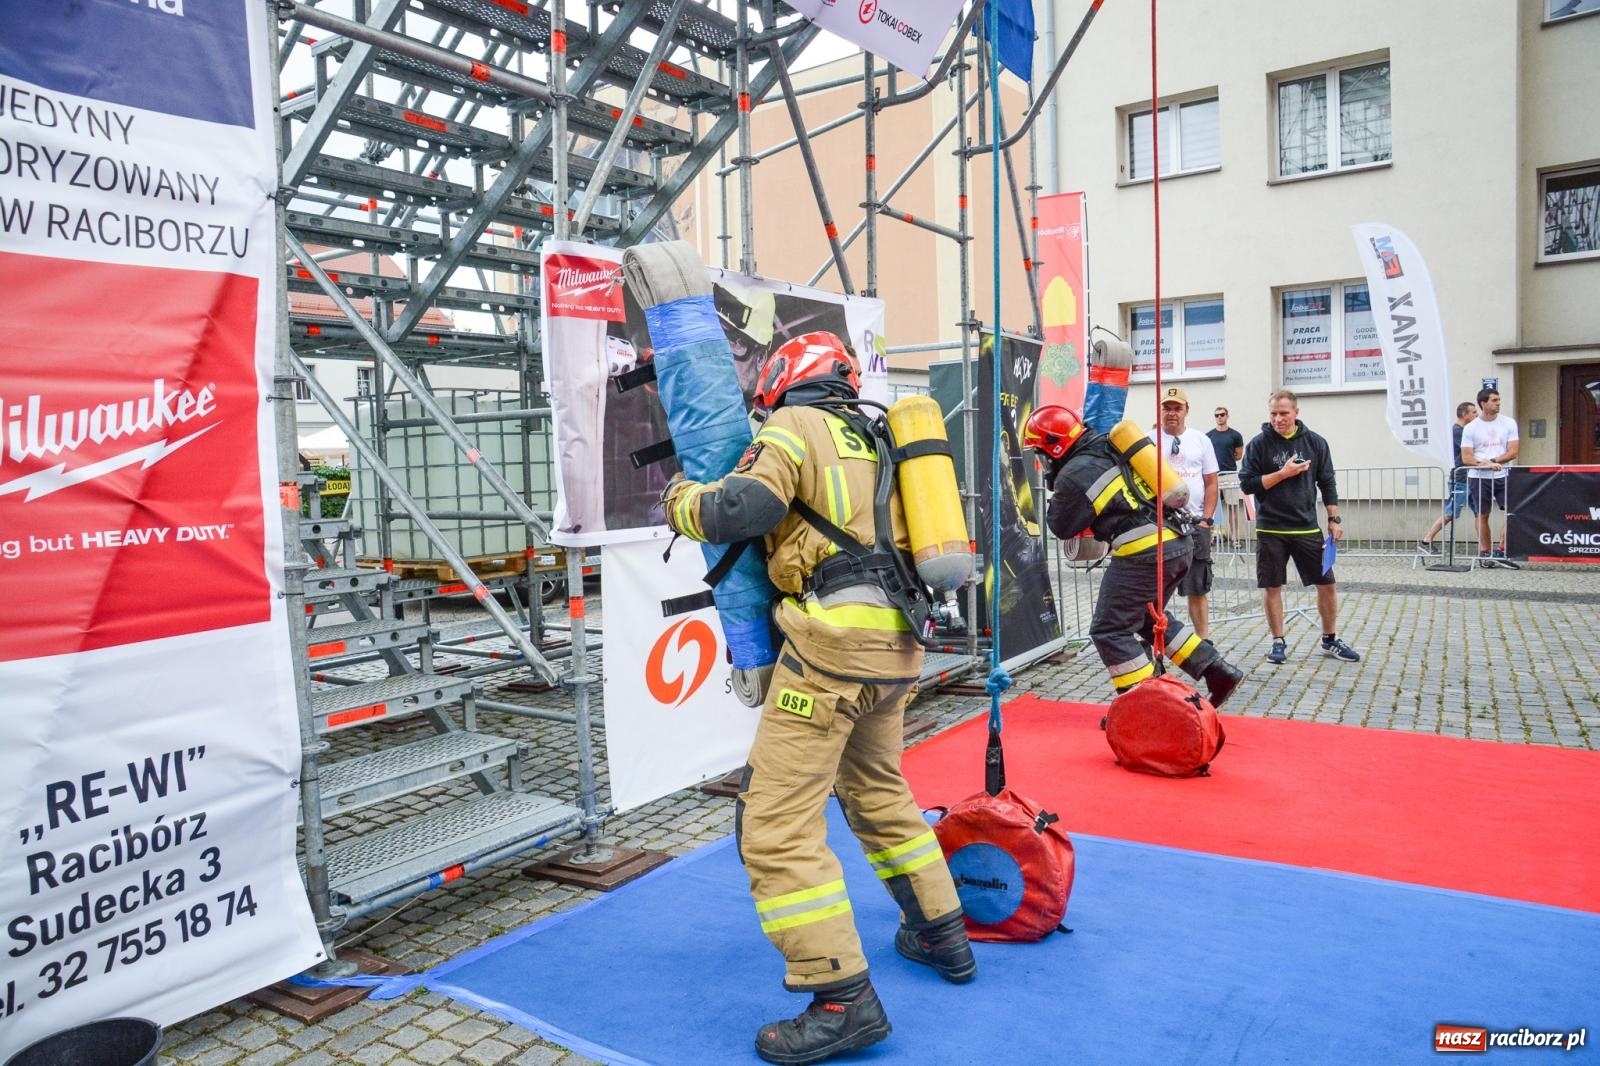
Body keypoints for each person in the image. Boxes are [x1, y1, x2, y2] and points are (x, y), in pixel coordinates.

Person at [663, 331, 974, 1065]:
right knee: (879, 792)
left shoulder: (795, 424)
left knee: (774, 824)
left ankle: (841, 998)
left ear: (780, 380)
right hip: (897, 650)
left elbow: (742, 508)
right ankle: (942, 933)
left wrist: (681, 501)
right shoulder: (881, 438)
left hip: (831, 654)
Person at [1023, 404, 1244, 707]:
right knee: (1145, 618)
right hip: (1178, 542)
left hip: (1144, 552)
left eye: (1041, 454)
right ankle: (1217, 671)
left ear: (1055, 447)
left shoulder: (1074, 474)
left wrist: (1057, 487)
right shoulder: (1107, 445)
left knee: (1109, 629)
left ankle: (1143, 707)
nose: (1042, 462)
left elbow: (1061, 526)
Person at [1239, 389, 1359, 664]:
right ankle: (1278, 641)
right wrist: (1283, 473)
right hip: (1271, 528)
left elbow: (1327, 482)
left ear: (1296, 412)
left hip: (1306, 527)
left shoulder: (1315, 442)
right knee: (1272, 586)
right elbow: (1247, 484)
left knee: (1327, 584)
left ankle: (1330, 639)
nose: (1278, 419)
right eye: (1273, 414)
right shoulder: (1258, 444)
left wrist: (1334, 519)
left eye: (1284, 413)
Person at [1151, 386, 1220, 639]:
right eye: (1167, 408)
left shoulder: (1201, 440)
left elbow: (1211, 482)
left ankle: (1204, 640)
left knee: (1197, 587)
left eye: (1177, 408)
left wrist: (1207, 519)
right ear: (1160, 411)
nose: (1172, 413)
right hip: (1160, 524)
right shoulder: (1149, 441)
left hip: (1195, 523)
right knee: (1155, 588)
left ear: (1186, 411)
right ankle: (1154, 638)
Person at [1458, 386, 1521, 569]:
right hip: (1479, 477)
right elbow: (1466, 458)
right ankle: (1485, 552)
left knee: (1514, 512)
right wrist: (1484, 465)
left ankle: (1501, 550)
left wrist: (1493, 461)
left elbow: (1513, 452)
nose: (1498, 403)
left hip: (1503, 474)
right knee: (1483, 514)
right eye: (1494, 400)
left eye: (1499, 400)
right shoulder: (1471, 428)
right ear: (1483, 404)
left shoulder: (1508, 423)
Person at [1417, 400, 1479, 556]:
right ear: (1464, 414)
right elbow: (1471, 451)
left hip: (1471, 477)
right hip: (1461, 478)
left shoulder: (1464, 430)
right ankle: (1426, 541)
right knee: (1451, 513)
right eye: (1473, 412)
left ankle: (1485, 550)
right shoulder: (1458, 431)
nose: (1477, 415)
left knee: (1480, 513)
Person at [1206, 405, 1247, 546]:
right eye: (1217, 415)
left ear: (1227, 416)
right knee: (1211, 507)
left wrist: (1227, 460)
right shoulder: (1209, 435)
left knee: (1233, 506)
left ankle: (1235, 538)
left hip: (1229, 474)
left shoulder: (1235, 435)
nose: (1219, 417)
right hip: (1213, 475)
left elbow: (1238, 455)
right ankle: (1210, 537)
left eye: (1222, 414)